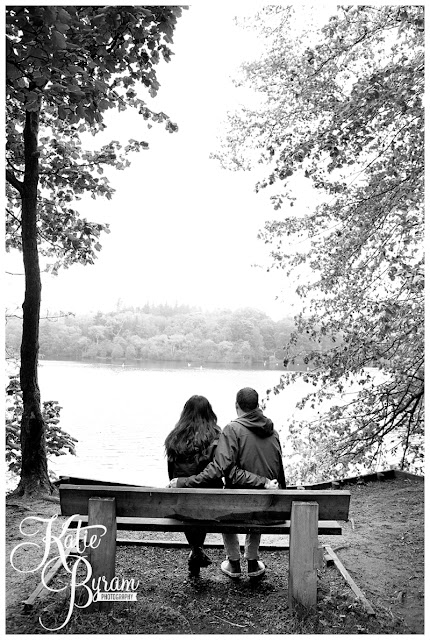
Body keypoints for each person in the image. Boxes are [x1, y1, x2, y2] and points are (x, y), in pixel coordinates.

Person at [169, 387, 286, 580]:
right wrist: (266, 483)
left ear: (237, 406)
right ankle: (252, 559)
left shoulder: (232, 429)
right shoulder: (273, 433)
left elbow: (224, 469)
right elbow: (277, 472)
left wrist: (184, 482)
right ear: (258, 406)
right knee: (255, 500)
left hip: (236, 506)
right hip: (271, 508)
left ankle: (233, 562)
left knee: (227, 500)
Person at [164, 395, 223, 577]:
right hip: (211, 500)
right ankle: (196, 551)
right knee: (202, 504)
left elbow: (171, 474)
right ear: (209, 413)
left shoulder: (174, 437)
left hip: (182, 501)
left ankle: (196, 550)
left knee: (189, 506)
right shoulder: (217, 436)